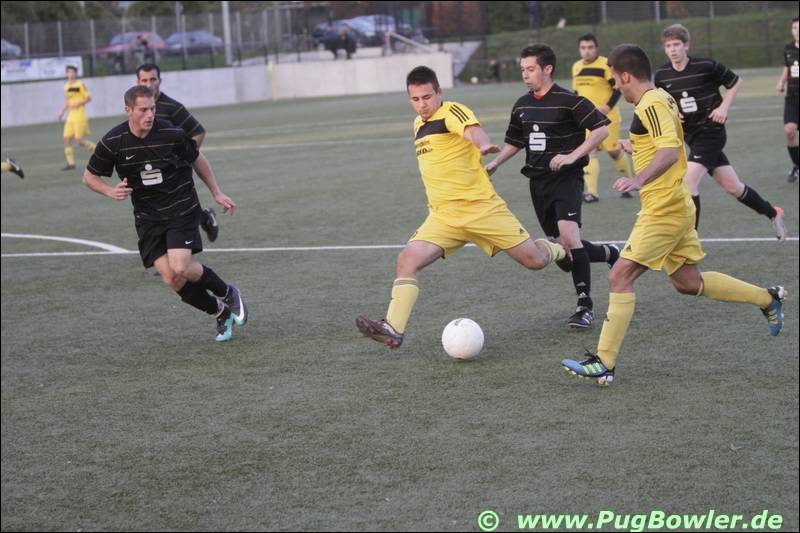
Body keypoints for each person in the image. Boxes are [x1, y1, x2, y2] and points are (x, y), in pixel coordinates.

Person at [561, 44, 786, 386]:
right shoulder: (661, 97)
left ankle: (604, 362)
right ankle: (767, 298)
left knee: (619, 275)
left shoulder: (650, 102)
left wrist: (638, 179)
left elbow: (669, 151)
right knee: (688, 283)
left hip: (663, 208)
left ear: (626, 76)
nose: (616, 88)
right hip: (675, 204)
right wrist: (636, 147)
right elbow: (663, 142)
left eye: (616, 81)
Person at [356, 66, 572, 348]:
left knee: (535, 261)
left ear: (439, 92)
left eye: (427, 97)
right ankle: (393, 328)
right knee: (406, 261)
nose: (422, 104)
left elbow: (472, 130)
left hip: (482, 210)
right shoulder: (418, 124)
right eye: (416, 99)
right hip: (443, 217)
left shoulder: (452, 111)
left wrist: (483, 145)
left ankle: (558, 248)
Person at [82, 85, 248, 342]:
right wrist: (109, 191)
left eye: (152, 108)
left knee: (181, 266)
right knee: (171, 278)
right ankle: (220, 312)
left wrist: (216, 192)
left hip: (181, 206)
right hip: (147, 217)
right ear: (128, 110)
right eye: (143, 110)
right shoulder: (114, 141)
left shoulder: (171, 133)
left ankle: (227, 292)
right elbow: (89, 176)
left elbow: (197, 158)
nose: (150, 114)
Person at [485, 44, 620, 328]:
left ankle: (584, 306)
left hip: (566, 179)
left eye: (530, 69)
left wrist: (572, 156)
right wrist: (496, 163)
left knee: (569, 238)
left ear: (547, 69)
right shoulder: (522, 104)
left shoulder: (570, 100)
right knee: (563, 252)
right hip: (538, 183)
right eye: (522, 69)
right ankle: (609, 252)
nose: (525, 74)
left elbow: (601, 130)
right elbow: (516, 141)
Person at [654, 24, 787, 240]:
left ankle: (690, 241)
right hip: (690, 136)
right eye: (668, 46)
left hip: (711, 132)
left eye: (676, 44)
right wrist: (672, 112)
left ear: (686, 45)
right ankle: (773, 213)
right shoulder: (662, 75)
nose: (673, 50)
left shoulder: (706, 66)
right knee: (733, 187)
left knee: (688, 182)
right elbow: (662, 101)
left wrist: (723, 107)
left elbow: (735, 82)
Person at [136, 63, 219, 242]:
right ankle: (205, 217)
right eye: (144, 80)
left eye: (153, 79)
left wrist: (185, 157)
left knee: (175, 210)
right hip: (152, 170)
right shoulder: (137, 108)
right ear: (138, 83)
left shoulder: (172, 107)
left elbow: (198, 131)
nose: (148, 84)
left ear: (160, 81)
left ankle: (176, 250)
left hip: (175, 170)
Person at [571, 34, 634, 202]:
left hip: (608, 118)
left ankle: (630, 183)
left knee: (614, 152)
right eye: (583, 48)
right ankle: (592, 193)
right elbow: (576, 93)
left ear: (596, 48)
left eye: (590, 47)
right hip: (587, 119)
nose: (587, 51)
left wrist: (607, 107)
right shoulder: (576, 67)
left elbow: (617, 88)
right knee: (589, 151)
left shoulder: (606, 64)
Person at [58, 65, 96, 171]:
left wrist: (78, 103)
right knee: (66, 139)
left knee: (79, 141)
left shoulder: (80, 85)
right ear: (66, 74)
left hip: (80, 115)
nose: (71, 74)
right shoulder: (66, 86)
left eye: (73, 72)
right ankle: (71, 163)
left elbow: (88, 98)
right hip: (71, 116)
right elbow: (67, 101)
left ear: (76, 74)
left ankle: (97, 149)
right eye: (69, 72)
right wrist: (61, 111)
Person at [777, 17, 799, 183]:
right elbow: (788, 67)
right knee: (789, 131)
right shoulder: (788, 48)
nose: (797, 31)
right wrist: (781, 81)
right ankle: (797, 164)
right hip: (792, 97)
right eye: (794, 28)